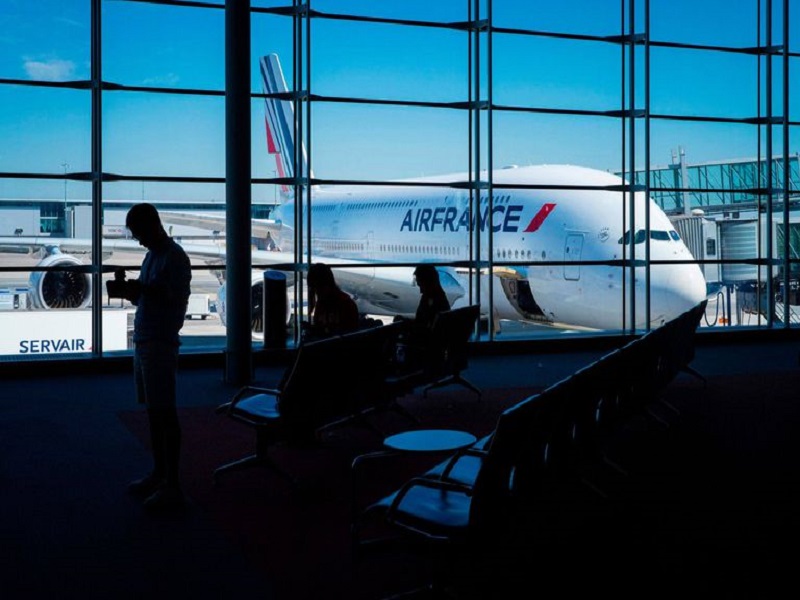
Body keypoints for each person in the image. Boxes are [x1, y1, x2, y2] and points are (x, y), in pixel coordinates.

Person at [113, 203, 192, 513]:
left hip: (160, 342)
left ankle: (172, 484)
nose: (138, 240)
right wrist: (134, 291)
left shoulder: (174, 257)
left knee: (165, 414)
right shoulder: (151, 257)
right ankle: (161, 474)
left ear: (151, 226)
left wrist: (141, 289)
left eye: (138, 234)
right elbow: (150, 295)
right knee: (154, 412)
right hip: (146, 340)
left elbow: (172, 297)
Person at [304, 263, 359, 340]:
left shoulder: (345, 304)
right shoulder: (323, 303)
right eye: (313, 288)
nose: (316, 291)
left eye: (318, 287)